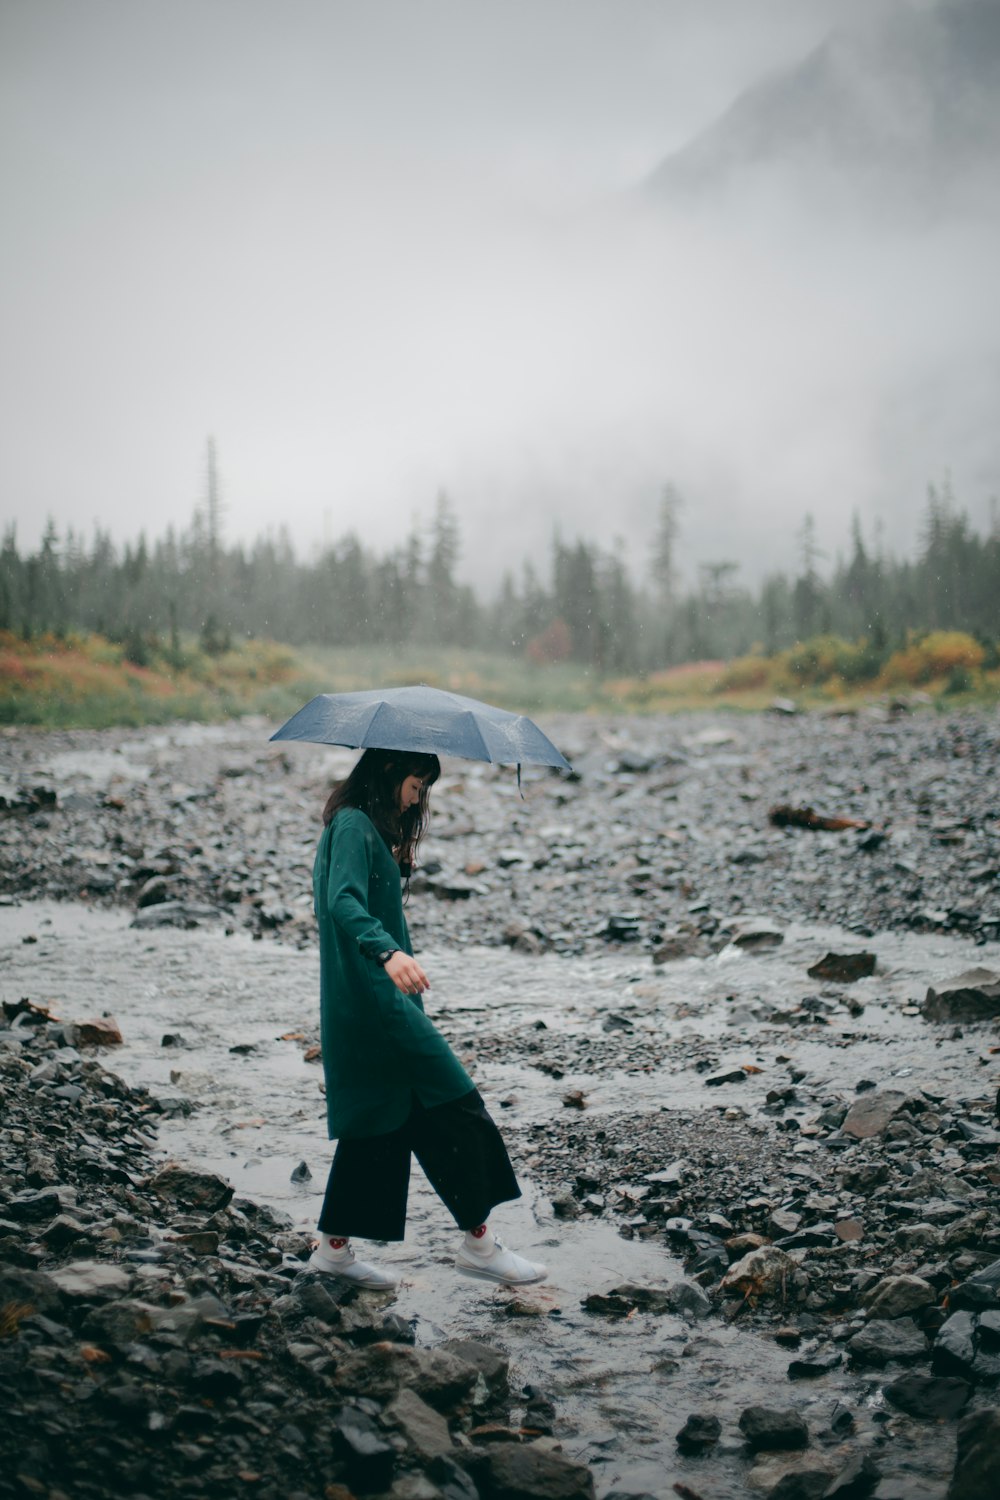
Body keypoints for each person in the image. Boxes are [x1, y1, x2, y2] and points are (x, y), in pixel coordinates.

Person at [307, 746, 546, 1290]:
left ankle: (334, 1253)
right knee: (456, 1106)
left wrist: (391, 863)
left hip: (371, 1002)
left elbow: (355, 896)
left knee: (381, 1125)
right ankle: (480, 1246)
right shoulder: (350, 825)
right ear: (390, 771)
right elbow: (340, 901)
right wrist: (389, 951)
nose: (419, 798)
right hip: (375, 1003)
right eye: (417, 785)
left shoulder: (364, 829)